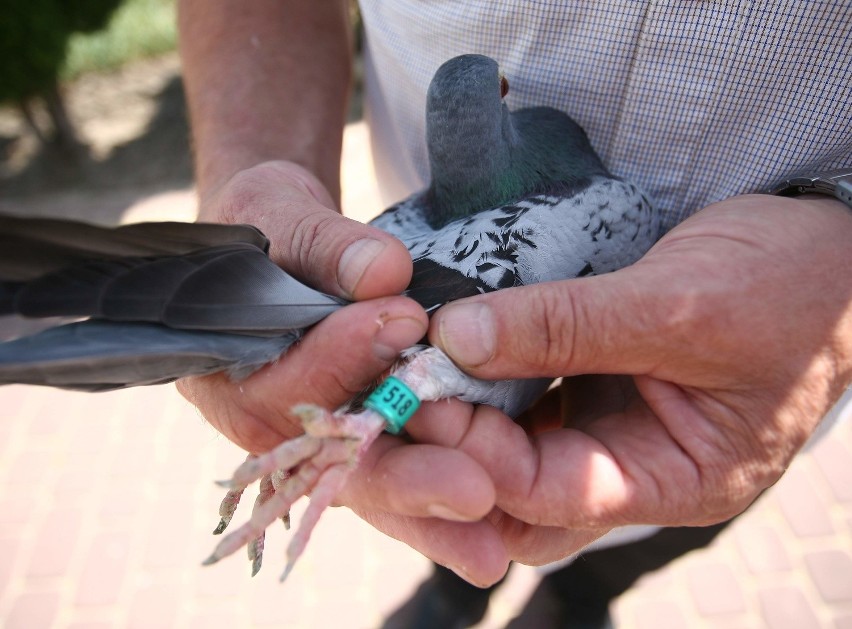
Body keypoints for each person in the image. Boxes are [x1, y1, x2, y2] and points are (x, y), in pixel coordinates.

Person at [175, 0, 852, 620]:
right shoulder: (598, 207)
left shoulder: (561, 206)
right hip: (440, 370)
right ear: (502, 99)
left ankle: (576, 599)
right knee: (442, 465)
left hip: (757, 367)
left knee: (636, 531)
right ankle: (454, 589)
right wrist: (250, 178)